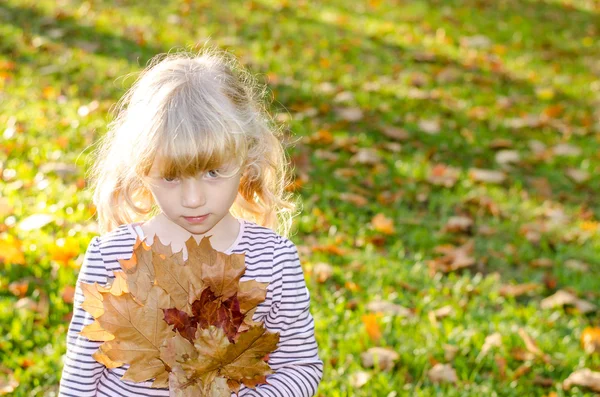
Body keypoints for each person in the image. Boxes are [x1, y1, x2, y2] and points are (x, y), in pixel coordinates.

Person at [58, 47, 323, 397]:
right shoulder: (112, 256)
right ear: (142, 169)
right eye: (171, 177)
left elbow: (299, 366)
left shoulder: (273, 259)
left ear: (248, 160)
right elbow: (80, 374)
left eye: (213, 172)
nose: (193, 198)